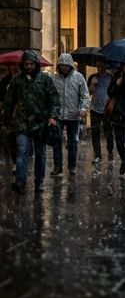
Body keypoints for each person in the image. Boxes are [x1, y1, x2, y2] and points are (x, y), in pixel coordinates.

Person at [1, 50, 60, 194]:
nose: (29, 66)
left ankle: (39, 182)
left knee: (40, 154)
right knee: (22, 152)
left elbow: (54, 99)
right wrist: (5, 121)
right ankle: (20, 182)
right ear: (23, 64)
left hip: (41, 123)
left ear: (36, 64)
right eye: (26, 64)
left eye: (31, 64)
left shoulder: (45, 80)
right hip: (22, 123)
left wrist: (53, 116)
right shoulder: (17, 80)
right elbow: (9, 101)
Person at [51, 53, 90, 176]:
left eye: (66, 65)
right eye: (61, 65)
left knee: (73, 142)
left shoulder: (78, 77)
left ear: (70, 66)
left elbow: (85, 95)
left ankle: (72, 166)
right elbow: (50, 96)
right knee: (56, 141)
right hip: (58, 115)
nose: (64, 67)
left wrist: (83, 108)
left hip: (74, 115)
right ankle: (58, 166)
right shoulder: (54, 78)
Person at [88, 61, 114, 163]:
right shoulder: (92, 77)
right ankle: (97, 155)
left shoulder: (111, 78)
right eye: (98, 66)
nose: (100, 68)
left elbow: (114, 92)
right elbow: (88, 92)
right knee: (95, 132)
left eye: (102, 66)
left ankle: (110, 150)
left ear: (106, 66)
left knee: (109, 132)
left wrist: (112, 103)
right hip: (95, 108)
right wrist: (92, 84)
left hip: (107, 109)